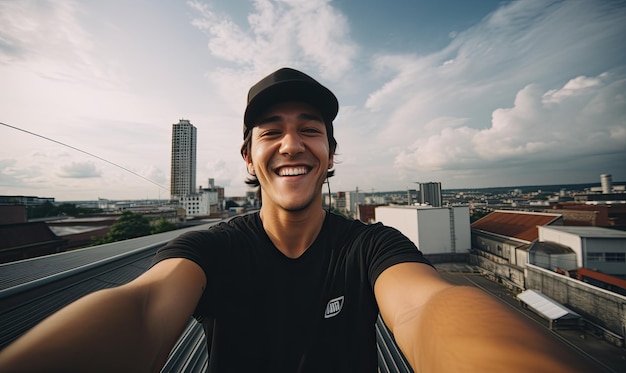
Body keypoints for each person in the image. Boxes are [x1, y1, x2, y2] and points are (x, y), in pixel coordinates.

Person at [0, 68, 594, 372]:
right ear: (248, 157)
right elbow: (145, 306)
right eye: (271, 132)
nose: (292, 144)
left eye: (311, 129)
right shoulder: (213, 249)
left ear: (331, 156)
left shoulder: (371, 246)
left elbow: (427, 305)